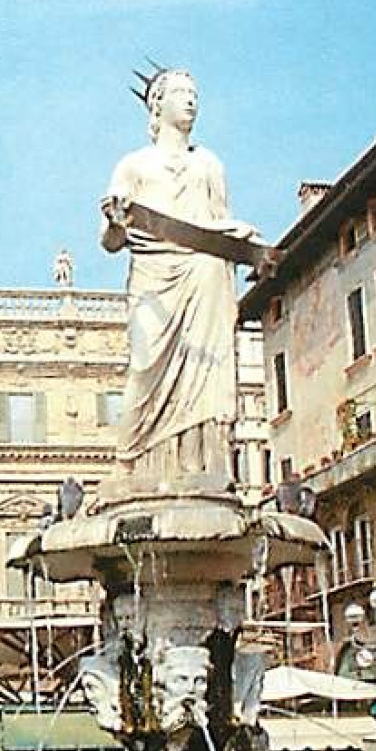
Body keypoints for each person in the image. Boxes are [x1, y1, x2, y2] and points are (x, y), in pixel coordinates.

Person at [99, 68, 263, 481]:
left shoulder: (209, 165)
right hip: (154, 280)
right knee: (145, 364)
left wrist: (241, 236)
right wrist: (116, 222)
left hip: (204, 275)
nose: (191, 100)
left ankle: (201, 461)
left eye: (194, 93)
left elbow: (217, 222)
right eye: (181, 93)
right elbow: (110, 241)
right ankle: (129, 462)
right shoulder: (133, 165)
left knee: (204, 371)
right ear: (157, 104)